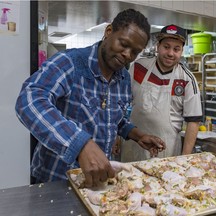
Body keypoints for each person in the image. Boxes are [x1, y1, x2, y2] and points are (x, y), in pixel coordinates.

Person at [15, 9, 166, 187]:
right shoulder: (70, 63)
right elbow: (29, 100)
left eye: (135, 52)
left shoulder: (123, 77)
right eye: (123, 44)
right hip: (56, 181)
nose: (127, 55)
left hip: (97, 182)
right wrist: (79, 144)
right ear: (109, 32)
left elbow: (114, 119)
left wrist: (137, 135)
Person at [121, 24, 202, 162]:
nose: (170, 53)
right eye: (166, 47)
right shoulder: (139, 67)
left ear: (182, 51)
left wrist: (184, 159)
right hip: (133, 143)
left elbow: (193, 122)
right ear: (158, 46)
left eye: (176, 49)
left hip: (165, 150)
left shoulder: (187, 79)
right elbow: (122, 103)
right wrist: (118, 136)